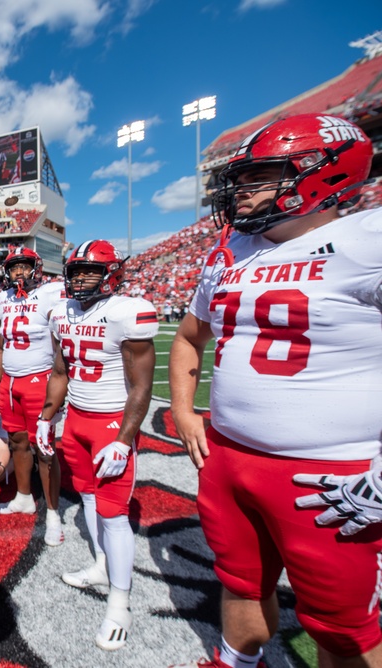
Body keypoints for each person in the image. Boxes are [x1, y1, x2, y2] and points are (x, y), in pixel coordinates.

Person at [168, 113, 380, 668]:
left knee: (343, 631)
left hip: (329, 475)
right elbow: (191, 337)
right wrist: (187, 413)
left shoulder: (368, 239)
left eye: (261, 175)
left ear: (323, 174)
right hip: (231, 459)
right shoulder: (230, 249)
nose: (241, 190)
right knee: (240, 582)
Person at [39, 239, 157, 651]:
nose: (81, 279)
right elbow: (59, 370)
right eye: (75, 272)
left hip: (110, 422)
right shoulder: (61, 312)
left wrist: (125, 439)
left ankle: (120, 603)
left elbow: (142, 387)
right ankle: (103, 566)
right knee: (88, 499)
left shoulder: (128, 312)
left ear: (113, 273)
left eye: (90, 271)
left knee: (114, 513)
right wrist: (46, 416)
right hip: (77, 420)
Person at [0, 246, 67, 547]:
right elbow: (0, 345)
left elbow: (62, 342)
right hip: (10, 382)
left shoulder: (52, 293)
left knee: (45, 448)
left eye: (24, 266)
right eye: (14, 268)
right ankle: (23, 497)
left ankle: (54, 514)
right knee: (18, 442)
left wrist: (62, 386)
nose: (19, 273)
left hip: (40, 379)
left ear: (36, 268)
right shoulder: (1, 299)